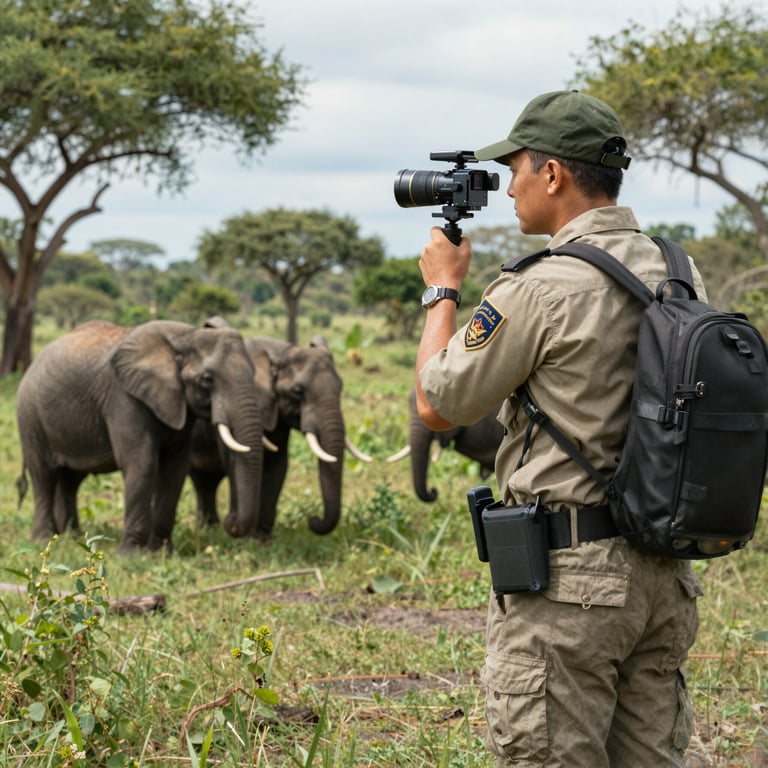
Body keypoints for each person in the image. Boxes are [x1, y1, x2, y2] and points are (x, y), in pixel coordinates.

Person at [415, 90, 705, 767]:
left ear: (553, 175)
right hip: (665, 575)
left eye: (515, 168)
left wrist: (442, 291)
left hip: (570, 584)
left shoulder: (538, 287)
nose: (508, 187)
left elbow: (438, 404)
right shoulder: (679, 272)